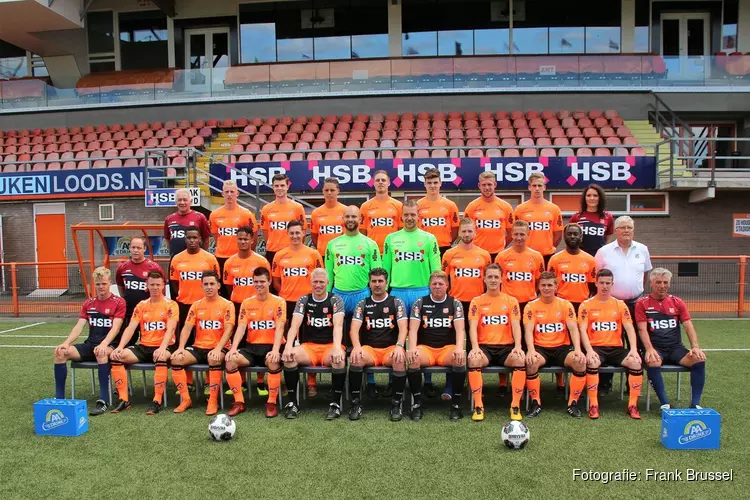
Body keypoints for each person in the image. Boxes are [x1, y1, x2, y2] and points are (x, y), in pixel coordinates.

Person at [382, 199, 441, 397]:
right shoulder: (391, 238)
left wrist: (435, 292)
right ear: (401, 216)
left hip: (422, 291)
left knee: (425, 334)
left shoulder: (429, 238)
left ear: (419, 216)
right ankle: (393, 379)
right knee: (393, 334)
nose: (409, 218)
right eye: (406, 215)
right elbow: (385, 269)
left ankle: (428, 380)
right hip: (397, 291)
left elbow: (436, 269)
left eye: (412, 215)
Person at [53, 267, 126, 416]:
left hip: (110, 345)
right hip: (90, 345)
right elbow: (79, 327)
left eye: (104, 284)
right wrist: (66, 343)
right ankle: (59, 399)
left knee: (101, 352)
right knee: (60, 353)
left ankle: (103, 400)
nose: (101, 287)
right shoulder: (88, 303)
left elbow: (116, 328)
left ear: (109, 283)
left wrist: (104, 344)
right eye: (98, 284)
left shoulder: (119, 302)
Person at [594, 215, 651, 395]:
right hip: (611, 304)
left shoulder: (642, 249)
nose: (626, 231)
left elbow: (645, 274)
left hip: (635, 302)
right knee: (608, 343)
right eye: (623, 227)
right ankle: (605, 384)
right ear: (616, 230)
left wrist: (637, 290)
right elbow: (597, 276)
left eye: (629, 228)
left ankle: (632, 383)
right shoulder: (604, 251)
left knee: (639, 342)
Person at [635, 268, 707, 410]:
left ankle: (695, 404)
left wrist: (695, 347)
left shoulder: (677, 302)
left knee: (699, 359)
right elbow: (642, 329)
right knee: (652, 360)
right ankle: (665, 404)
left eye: (665, 282)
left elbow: (688, 326)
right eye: (658, 282)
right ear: (651, 283)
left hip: (675, 348)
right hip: (656, 348)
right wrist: (649, 349)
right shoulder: (642, 303)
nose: (662, 286)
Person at [281, 269, 347, 419]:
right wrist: (288, 346)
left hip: (330, 346)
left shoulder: (335, 300)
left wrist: (337, 348)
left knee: (340, 359)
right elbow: (294, 325)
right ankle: (293, 403)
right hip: (309, 347)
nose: (318, 285)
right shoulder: (304, 300)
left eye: (321, 282)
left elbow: (338, 326)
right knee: (289, 357)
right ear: (311, 283)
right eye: (315, 282)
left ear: (328, 283)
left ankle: (335, 404)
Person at [109, 272, 178, 415]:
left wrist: (162, 348)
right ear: (147, 286)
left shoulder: (171, 305)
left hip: (164, 346)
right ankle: (123, 399)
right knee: (117, 356)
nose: (155, 287)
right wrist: (120, 347)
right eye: (152, 284)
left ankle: (157, 400)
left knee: (160, 356)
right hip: (144, 346)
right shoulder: (141, 305)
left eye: (158, 284)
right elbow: (131, 328)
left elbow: (171, 329)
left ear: (163, 286)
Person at [578, 269, 643, 420]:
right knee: (592, 362)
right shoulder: (586, 305)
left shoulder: (620, 305)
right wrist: (588, 350)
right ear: (596, 283)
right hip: (596, 348)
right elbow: (582, 329)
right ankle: (594, 405)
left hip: (615, 349)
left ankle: (632, 405)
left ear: (612, 284)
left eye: (608, 283)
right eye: (602, 283)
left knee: (635, 362)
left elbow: (629, 328)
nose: (605, 286)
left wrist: (633, 350)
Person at [523, 272, 587, 418]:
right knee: (531, 362)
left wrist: (577, 349)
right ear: (538, 286)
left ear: (556, 287)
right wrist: (531, 350)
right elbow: (528, 330)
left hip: (561, 348)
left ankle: (573, 404)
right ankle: (535, 402)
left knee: (580, 362)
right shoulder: (530, 306)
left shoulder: (565, 305)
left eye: (550, 285)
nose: (546, 288)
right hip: (540, 348)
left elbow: (573, 328)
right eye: (543, 285)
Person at [224, 267, 287, 418]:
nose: (259, 285)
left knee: (273, 362)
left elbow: (279, 328)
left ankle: (271, 403)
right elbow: (241, 327)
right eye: (256, 281)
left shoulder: (279, 302)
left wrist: (276, 350)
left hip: (272, 346)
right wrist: (233, 348)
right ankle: (239, 402)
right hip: (251, 347)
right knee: (230, 361)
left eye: (262, 281)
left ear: (269, 282)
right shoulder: (246, 303)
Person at [348, 268, 409, 421]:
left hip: (390, 348)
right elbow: (353, 329)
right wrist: (356, 347)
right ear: (369, 283)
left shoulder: (396, 302)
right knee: (355, 358)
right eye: (374, 281)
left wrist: (400, 345)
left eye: (380, 281)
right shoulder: (363, 304)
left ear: (386, 283)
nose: (377, 284)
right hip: (370, 350)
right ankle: (356, 403)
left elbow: (403, 328)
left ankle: (396, 404)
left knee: (399, 359)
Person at [467, 264, 526, 422]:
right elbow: (472, 327)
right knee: (473, 359)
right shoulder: (476, 301)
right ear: (484, 279)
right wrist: (474, 348)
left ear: (501, 279)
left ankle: (515, 405)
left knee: (520, 359)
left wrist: (518, 346)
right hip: (484, 347)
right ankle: (479, 406)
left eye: (496, 277)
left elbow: (515, 326)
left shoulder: (511, 301)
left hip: (506, 348)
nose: (493, 280)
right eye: (490, 277)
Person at [171, 271, 235, 416]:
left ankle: (212, 400)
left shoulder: (227, 305)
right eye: (205, 284)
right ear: (201, 286)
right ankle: (186, 399)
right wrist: (180, 348)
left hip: (220, 347)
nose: (209, 287)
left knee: (214, 358)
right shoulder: (196, 305)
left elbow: (229, 329)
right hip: (199, 346)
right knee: (176, 359)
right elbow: (187, 328)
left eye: (212, 284)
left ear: (218, 285)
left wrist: (219, 348)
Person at [407, 271, 467, 421]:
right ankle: (417, 404)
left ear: (447, 286)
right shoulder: (420, 302)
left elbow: (460, 329)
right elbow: (413, 329)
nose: (437, 287)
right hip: (426, 349)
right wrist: (412, 347)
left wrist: (459, 348)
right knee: (413, 359)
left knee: (459, 359)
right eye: (434, 284)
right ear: (429, 286)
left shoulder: (455, 303)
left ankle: (456, 405)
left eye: (441, 284)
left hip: (446, 349)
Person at [222, 225, 271, 396]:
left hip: (258, 306)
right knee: (241, 344)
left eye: (246, 239)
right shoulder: (229, 262)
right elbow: (228, 287)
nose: (242, 241)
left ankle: (260, 382)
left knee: (259, 342)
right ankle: (240, 382)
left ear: (252, 240)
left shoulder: (261, 261)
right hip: (237, 306)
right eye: (240, 238)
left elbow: (265, 285)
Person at [271, 220, 324, 327]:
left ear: (303, 233)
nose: (295, 236)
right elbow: (275, 280)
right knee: (286, 332)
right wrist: (284, 294)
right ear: (287, 233)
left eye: (297, 233)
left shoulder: (313, 254)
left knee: (306, 334)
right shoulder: (279, 255)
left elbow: (320, 278)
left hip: (308, 300)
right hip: (286, 301)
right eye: (292, 233)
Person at [209, 180, 257, 298]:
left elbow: (253, 236)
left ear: (237, 193)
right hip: (222, 257)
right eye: (227, 192)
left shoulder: (246, 214)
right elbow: (216, 236)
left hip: (240, 257)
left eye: (232, 191)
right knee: (224, 291)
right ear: (222, 194)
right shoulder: (214, 214)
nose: (229, 194)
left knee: (242, 289)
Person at [115, 236, 164, 345]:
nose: (136, 250)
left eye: (139, 247)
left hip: (148, 313)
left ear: (144, 249)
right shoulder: (122, 267)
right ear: (130, 249)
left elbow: (160, 288)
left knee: (148, 343)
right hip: (129, 312)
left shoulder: (153, 267)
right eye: (133, 247)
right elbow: (120, 286)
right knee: (126, 342)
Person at [164, 188, 210, 300]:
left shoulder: (200, 217)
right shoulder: (169, 219)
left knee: (197, 291)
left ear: (191, 201)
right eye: (179, 200)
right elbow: (167, 238)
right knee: (176, 292)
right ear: (175, 202)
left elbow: (206, 238)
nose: (182, 202)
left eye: (185, 200)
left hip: (196, 261)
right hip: (176, 262)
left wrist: (202, 256)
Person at [512, 172, 563, 269]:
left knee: (545, 284)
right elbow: (515, 233)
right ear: (529, 187)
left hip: (547, 256)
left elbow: (558, 235)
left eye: (540, 185)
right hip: (525, 256)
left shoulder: (554, 209)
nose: (537, 188)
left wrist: (548, 248)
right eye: (534, 185)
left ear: (544, 187)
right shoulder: (520, 209)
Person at [494, 220, 545, 314]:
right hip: (507, 303)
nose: (519, 237)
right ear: (511, 234)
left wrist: (531, 296)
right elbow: (496, 282)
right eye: (516, 234)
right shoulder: (501, 256)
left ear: (528, 234)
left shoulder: (537, 256)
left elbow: (540, 281)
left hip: (529, 304)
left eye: (522, 234)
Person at [464, 171, 514, 261]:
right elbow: (464, 231)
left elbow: (511, 232)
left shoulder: (505, 207)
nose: (487, 188)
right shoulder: (472, 207)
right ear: (479, 186)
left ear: (494, 185)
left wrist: (502, 245)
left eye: (489, 184)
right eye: (484, 185)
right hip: (477, 254)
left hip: (498, 254)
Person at [259, 173, 306, 269]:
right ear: (272, 187)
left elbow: (303, 230)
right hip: (272, 252)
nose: (279, 188)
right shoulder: (266, 209)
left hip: (292, 251)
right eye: (276, 186)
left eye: (282, 185)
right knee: (273, 282)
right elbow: (265, 231)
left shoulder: (297, 207)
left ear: (287, 187)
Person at [547, 223, 597, 313]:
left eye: (575, 234)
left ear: (581, 237)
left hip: (582, 305)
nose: (572, 236)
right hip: (561, 305)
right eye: (569, 234)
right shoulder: (555, 259)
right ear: (564, 237)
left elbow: (592, 286)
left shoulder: (590, 260)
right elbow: (550, 284)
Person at [416, 168, 460, 258]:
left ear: (440, 183)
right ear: (425, 184)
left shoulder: (450, 205)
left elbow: (455, 228)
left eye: (435, 182)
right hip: (424, 248)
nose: (432, 185)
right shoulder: (418, 205)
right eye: (429, 183)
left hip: (444, 248)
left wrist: (448, 242)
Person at [360, 169, 403, 254]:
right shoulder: (365, 206)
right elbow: (362, 232)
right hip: (372, 252)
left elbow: (401, 231)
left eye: (383, 180)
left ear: (389, 183)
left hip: (393, 252)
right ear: (374, 183)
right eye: (377, 180)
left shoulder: (398, 205)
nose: (380, 182)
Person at [569, 183, 615, 257]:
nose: (592, 198)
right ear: (585, 198)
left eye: (595, 195)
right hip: (580, 257)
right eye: (588, 195)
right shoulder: (576, 217)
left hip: (599, 257)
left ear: (600, 198)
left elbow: (606, 239)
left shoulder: (608, 217)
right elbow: (570, 238)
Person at [311, 177, 346, 257]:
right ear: (323, 191)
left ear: (338, 191)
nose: (329, 193)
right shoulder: (316, 213)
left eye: (332, 190)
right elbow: (314, 236)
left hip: (342, 254)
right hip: (323, 255)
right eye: (326, 190)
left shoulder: (346, 211)